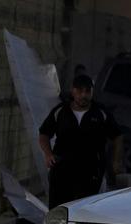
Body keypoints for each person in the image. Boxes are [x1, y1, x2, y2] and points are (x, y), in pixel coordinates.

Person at [39, 74, 123, 207]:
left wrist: (116, 161)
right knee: (59, 210)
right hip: (62, 170)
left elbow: (117, 136)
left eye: (87, 91)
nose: (83, 95)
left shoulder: (101, 113)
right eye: (79, 91)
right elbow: (43, 134)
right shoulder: (60, 111)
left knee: (85, 210)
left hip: (90, 172)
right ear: (73, 91)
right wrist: (48, 154)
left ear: (92, 92)